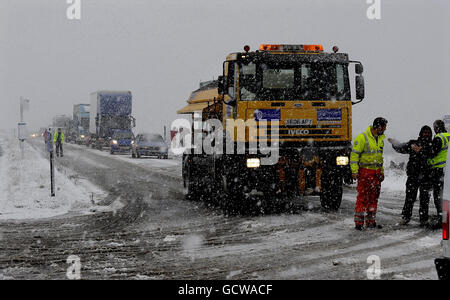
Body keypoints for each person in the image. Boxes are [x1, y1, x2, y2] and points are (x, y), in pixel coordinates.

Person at [387, 126, 433, 226]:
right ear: (421, 133)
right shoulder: (413, 143)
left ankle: (423, 219)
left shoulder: (432, 145)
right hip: (413, 175)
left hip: (427, 176)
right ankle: (406, 217)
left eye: (428, 133)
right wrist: (394, 143)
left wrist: (421, 151)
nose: (426, 134)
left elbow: (432, 154)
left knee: (424, 199)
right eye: (424, 132)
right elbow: (401, 148)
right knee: (410, 197)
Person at [350, 117, 388, 230]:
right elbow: (354, 155)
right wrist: (354, 171)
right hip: (365, 172)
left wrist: (381, 172)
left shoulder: (380, 139)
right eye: (384, 127)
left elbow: (380, 158)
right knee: (363, 197)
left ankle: (371, 221)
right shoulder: (362, 138)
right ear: (379, 127)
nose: (385, 130)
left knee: (374, 198)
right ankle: (359, 223)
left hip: (376, 174)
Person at [425, 120, 450, 228]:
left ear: (435, 128)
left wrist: (423, 151)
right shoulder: (448, 135)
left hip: (439, 170)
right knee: (446, 194)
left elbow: (432, 153)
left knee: (438, 195)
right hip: (447, 169)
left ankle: (442, 218)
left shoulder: (439, 138)